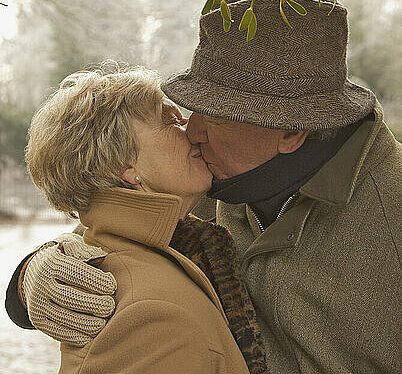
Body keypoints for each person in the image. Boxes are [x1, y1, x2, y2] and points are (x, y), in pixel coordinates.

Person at [6, 0, 401, 374]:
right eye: (191, 109)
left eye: (214, 116)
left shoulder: (391, 211)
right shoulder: (213, 177)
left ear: (290, 131)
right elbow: (112, 225)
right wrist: (31, 277)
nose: (191, 131)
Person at [14, 65, 266, 374]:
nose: (190, 128)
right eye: (170, 119)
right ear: (126, 164)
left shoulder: (149, 244)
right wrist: (27, 276)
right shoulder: (153, 316)